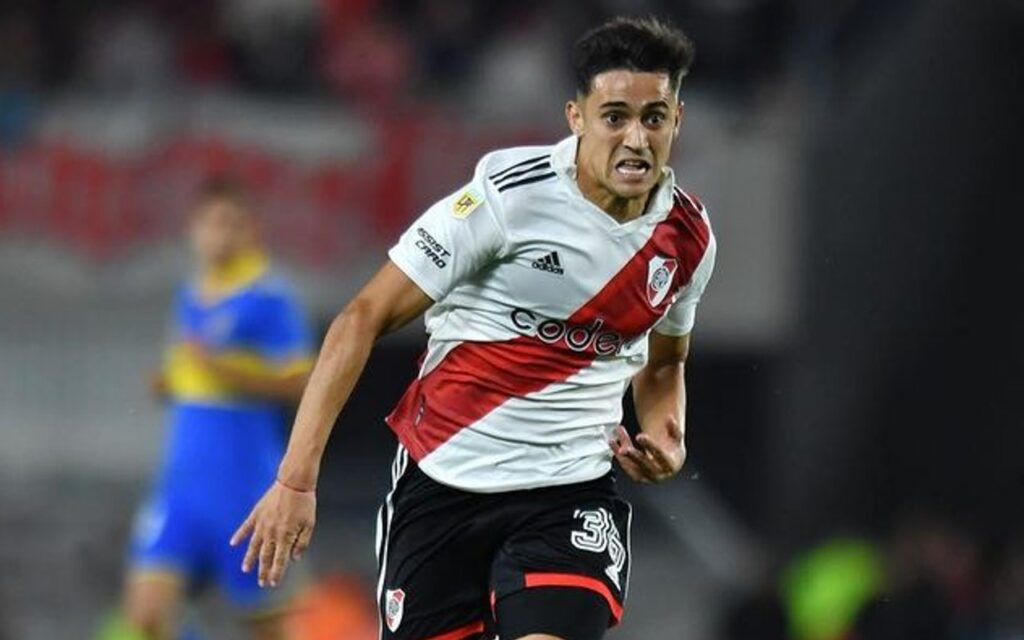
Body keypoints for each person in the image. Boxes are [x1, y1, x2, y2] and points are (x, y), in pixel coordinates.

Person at [233, 16, 715, 640]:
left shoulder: (689, 239)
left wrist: (667, 436)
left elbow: (665, 361)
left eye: (654, 118)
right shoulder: (507, 197)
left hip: (567, 492)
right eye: (614, 115)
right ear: (577, 117)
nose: (635, 138)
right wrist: (295, 479)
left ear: (677, 120)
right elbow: (362, 317)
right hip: (444, 481)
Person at [123, 176, 315, 640]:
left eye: (230, 224)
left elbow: (301, 382)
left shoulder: (268, 297)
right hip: (182, 486)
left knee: (268, 628)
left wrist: (224, 372)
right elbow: (191, 371)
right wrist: (169, 382)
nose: (218, 235)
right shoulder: (191, 295)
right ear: (193, 229)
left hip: (243, 488)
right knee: (147, 614)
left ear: (251, 229)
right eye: (210, 224)